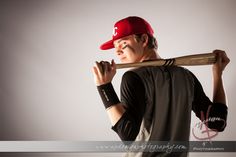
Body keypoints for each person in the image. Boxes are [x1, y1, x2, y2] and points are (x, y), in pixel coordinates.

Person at [92, 16, 230, 157]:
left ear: (144, 40)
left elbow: (129, 136)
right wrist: (218, 73)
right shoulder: (187, 76)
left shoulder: (133, 78)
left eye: (123, 44)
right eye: (115, 47)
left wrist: (104, 87)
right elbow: (218, 122)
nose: (118, 52)